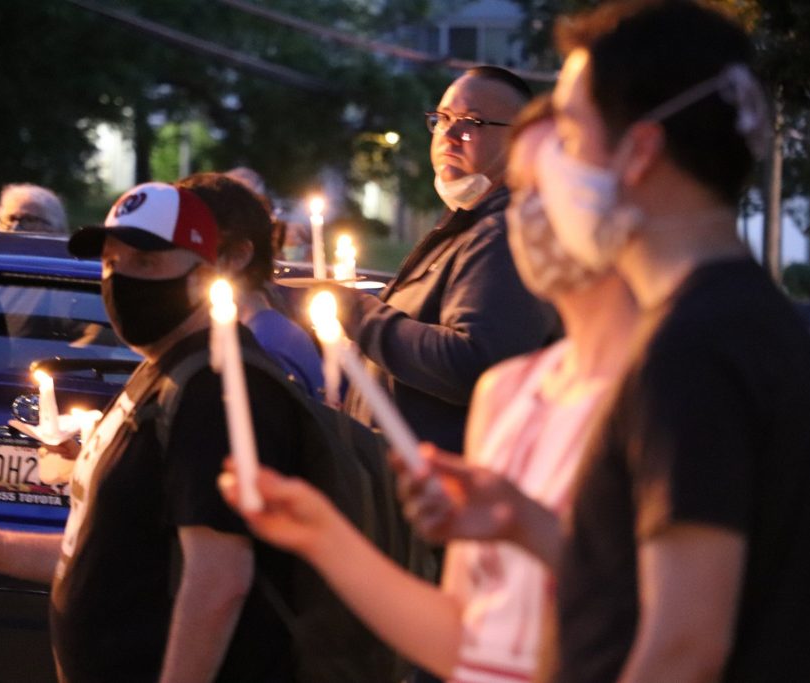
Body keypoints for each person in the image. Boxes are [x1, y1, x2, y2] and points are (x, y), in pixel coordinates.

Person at [218, 95, 639, 683]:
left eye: (545, 183)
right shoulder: (511, 395)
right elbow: (462, 636)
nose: (522, 212)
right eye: (519, 192)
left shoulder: (659, 390)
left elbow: (676, 636)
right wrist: (323, 535)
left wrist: (528, 526)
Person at [534, 2, 810, 681]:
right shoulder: (748, 321)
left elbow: (684, 645)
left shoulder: (693, 347)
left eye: (569, 131)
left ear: (640, 150)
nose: (553, 163)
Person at [0, 181, 301, 682]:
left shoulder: (218, 390)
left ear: (203, 274)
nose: (120, 279)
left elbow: (219, 579)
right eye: (112, 262)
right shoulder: (163, 373)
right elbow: (123, 552)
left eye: (146, 263)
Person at [333, 65, 559, 453]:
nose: (450, 136)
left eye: (471, 123)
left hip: (439, 486)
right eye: (442, 119)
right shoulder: (466, 227)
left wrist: (361, 315)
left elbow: (475, 361)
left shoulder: (504, 234)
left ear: (520, 142)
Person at [178, 172, 324, 400]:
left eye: (194, 240)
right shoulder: (265, 333)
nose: (175, 257)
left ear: (239, 255)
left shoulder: (261, 352)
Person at [0, 183, 69, 234]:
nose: (15, 228)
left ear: (56, 230)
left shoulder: (66, 260)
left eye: (29, 220)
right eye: (11, 219)